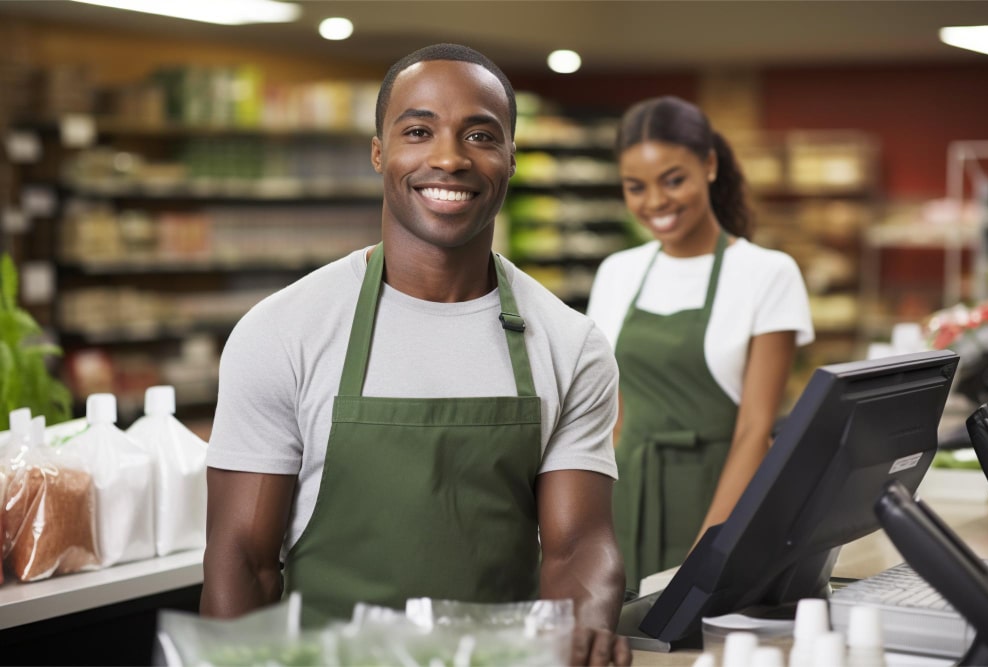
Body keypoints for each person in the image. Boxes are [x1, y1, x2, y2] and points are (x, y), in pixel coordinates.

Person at [200, 43, 631, 666]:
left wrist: (581, 634)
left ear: (511, 156)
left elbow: (579, 547)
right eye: (419, 131)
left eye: (480, 135)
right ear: (380, 152)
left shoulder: (570, 343)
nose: (450, 158)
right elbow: (243, 560)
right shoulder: (283, 331)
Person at [586, 96, 814, 591]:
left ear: (709, 165)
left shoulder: (767, 274)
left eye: (673, 179)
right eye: (635, 187)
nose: (655, 202)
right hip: (629, 499)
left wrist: (705, 556)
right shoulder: (617, 273)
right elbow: (615, 418)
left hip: (723, 500)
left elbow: (755, 430)